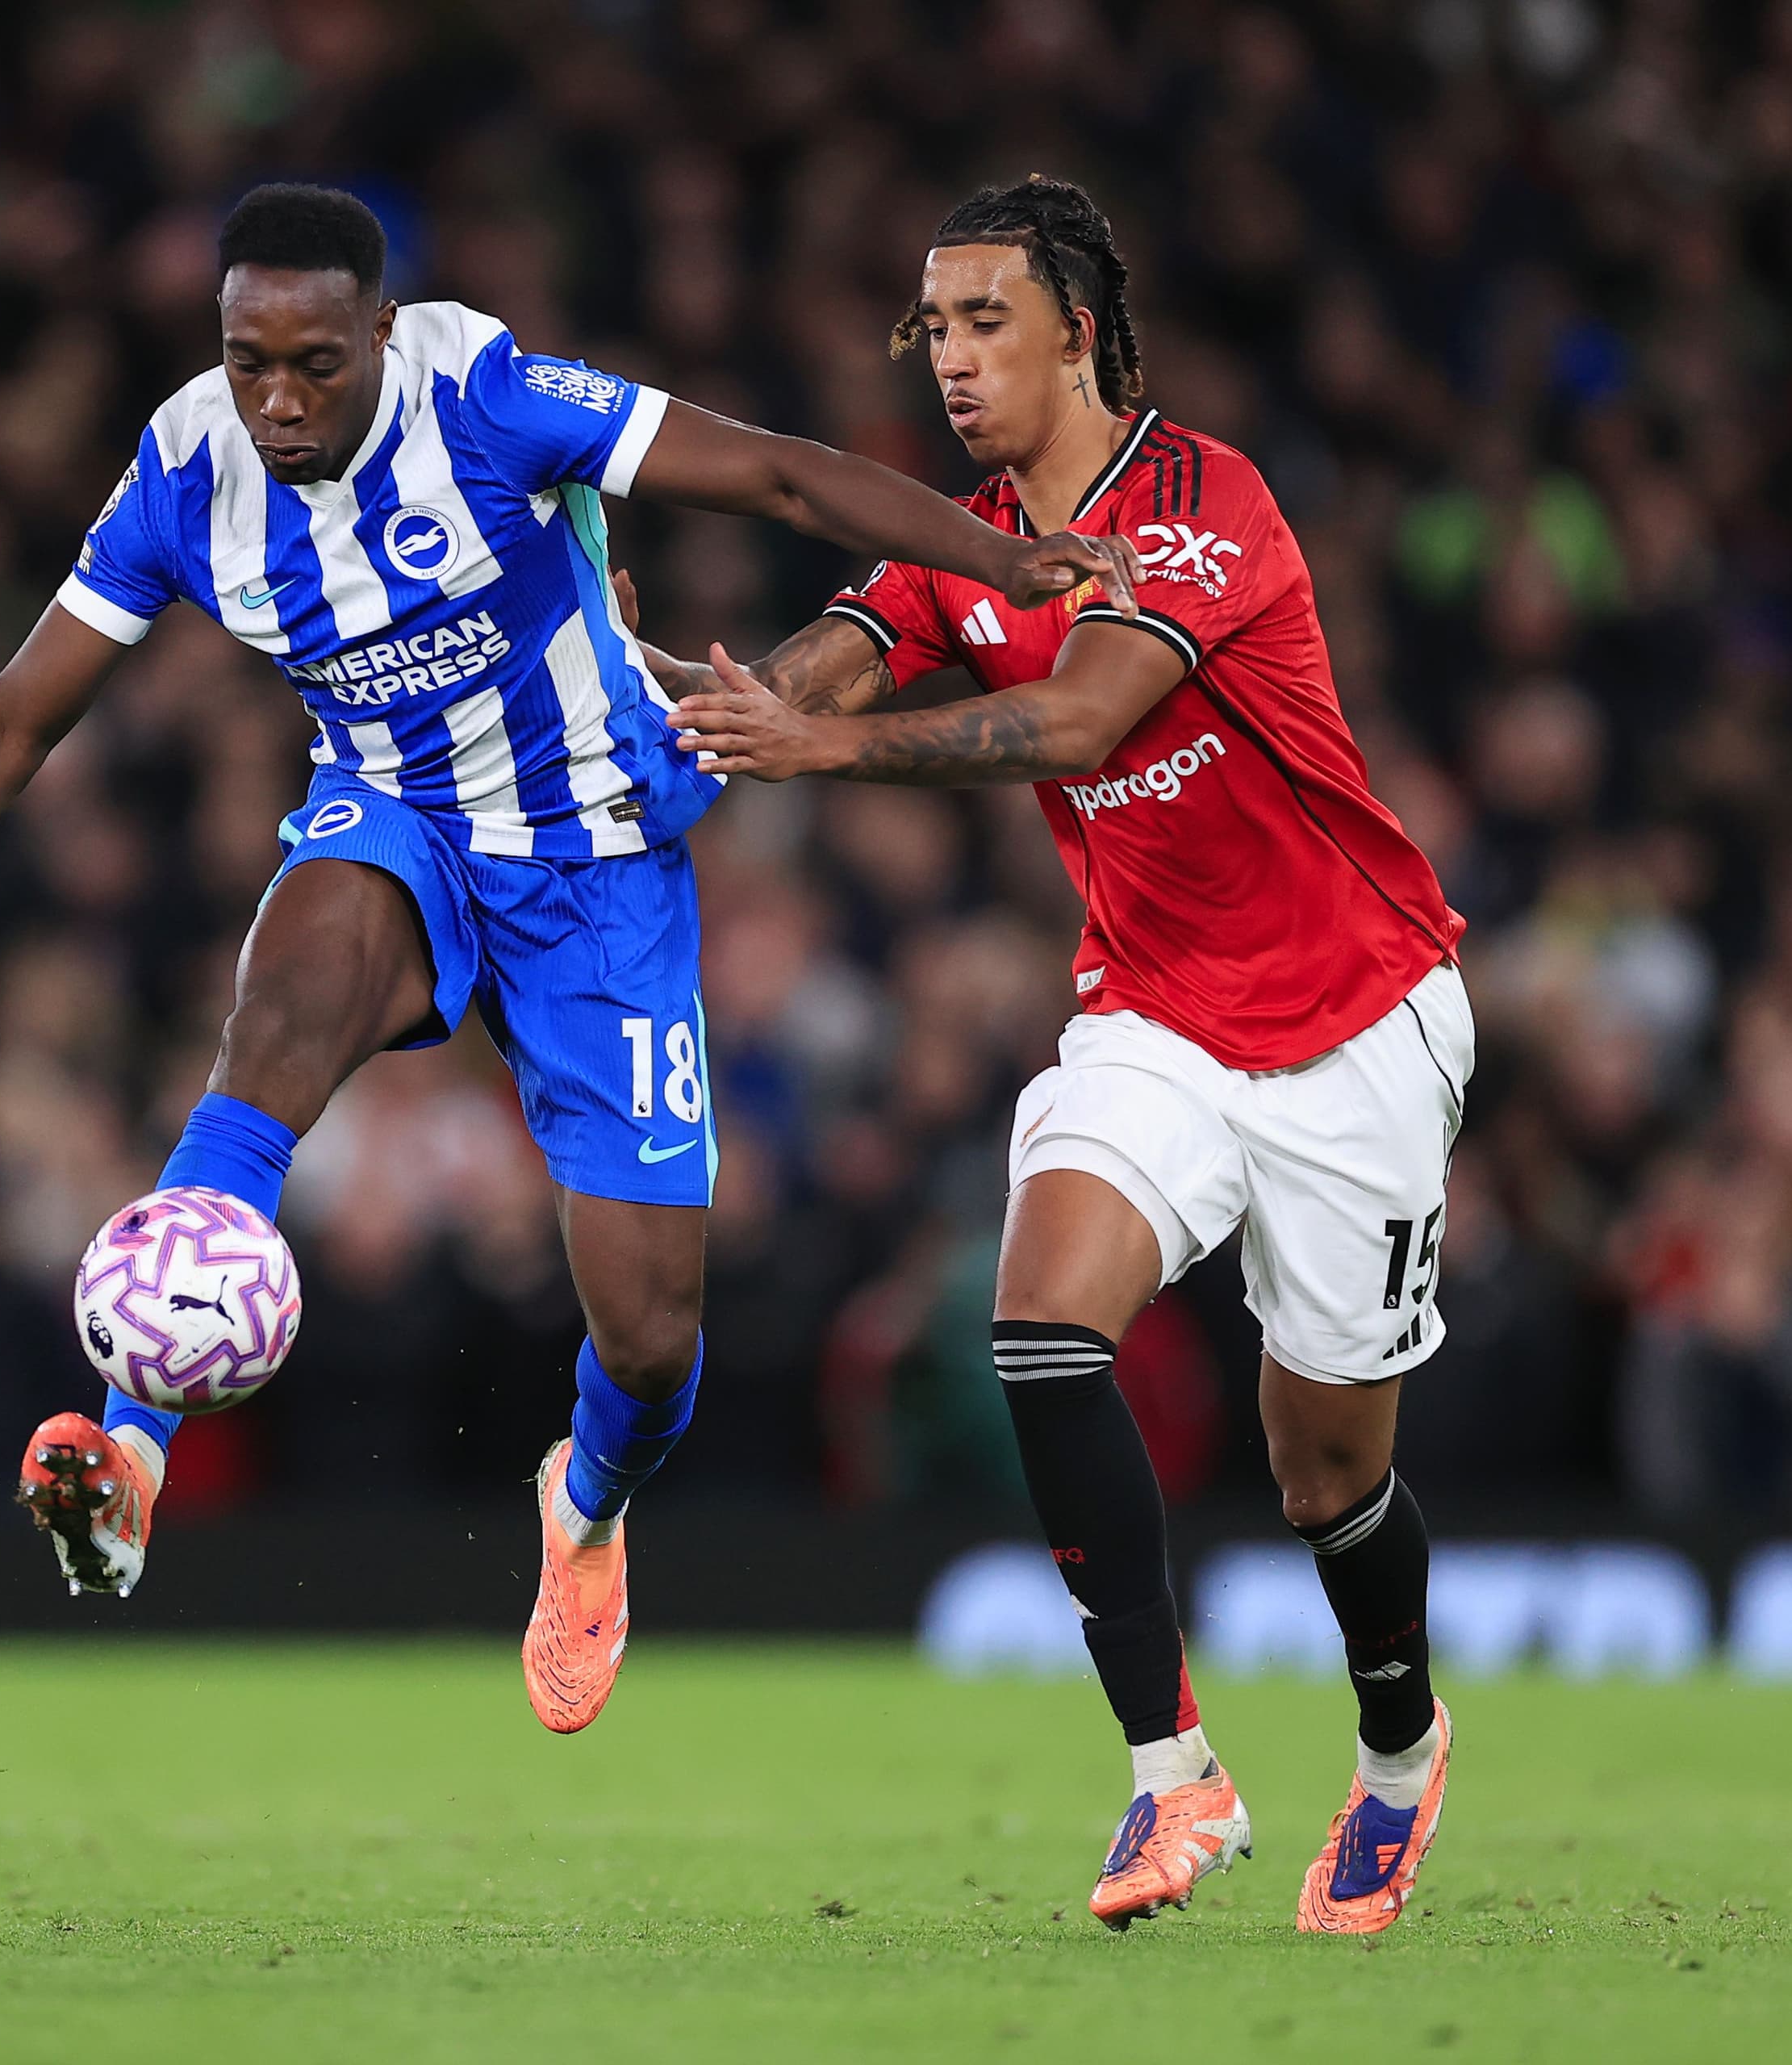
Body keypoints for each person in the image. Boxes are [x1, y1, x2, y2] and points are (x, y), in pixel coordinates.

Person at [0, 183, 1134, 1734]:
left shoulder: (488, 395)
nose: (277, 399)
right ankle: (133, 1453)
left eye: (314, 364)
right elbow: (15, 717)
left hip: (596, 858)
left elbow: (782, 478)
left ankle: (586, 1508)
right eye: (249, 360)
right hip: (396, 823)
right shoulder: (186, 470)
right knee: (282, 1010)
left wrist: (1004, 562)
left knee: (651, 1337)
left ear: (381, 334)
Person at [654, 176, 1469, 1930]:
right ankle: (1175, 1779)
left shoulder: (1203, 503)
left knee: (1326, 1471)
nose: (950, 360)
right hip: (1154, 1014)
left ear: (1079, 333)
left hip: (1357, 1016)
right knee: (1037, 1327)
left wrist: (821, 753)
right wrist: (689, 697)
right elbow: (823, 668)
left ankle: (1402, 1750)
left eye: (986, 322)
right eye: (933, 329)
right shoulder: (963, 547)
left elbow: (1085, 715)